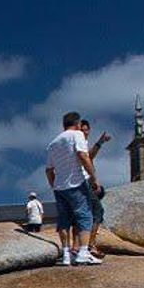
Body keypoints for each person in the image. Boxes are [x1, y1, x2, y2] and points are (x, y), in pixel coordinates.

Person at [45, 112, 104, 266]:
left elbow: (49, 170)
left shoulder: (53, 144)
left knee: (64, 221)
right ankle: (84, 252)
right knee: (85, 216)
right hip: (76, 183)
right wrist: (93, 177)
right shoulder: (76, 135)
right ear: (77, 124)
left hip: (59, 187)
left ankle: (66, 255)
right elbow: (83, 156)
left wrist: (54, 186)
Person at [80, 119, 111, 258]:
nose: (84, 132)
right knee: (98, 211)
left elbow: (90, 158)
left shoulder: (82, 143)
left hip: (85, 182)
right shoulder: (79, 144)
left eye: (86, 130)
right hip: (84, 182)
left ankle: (83, 245)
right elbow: (90, 157)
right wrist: (94, 181)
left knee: (89, 212)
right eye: (82, 130)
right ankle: (90, 245)